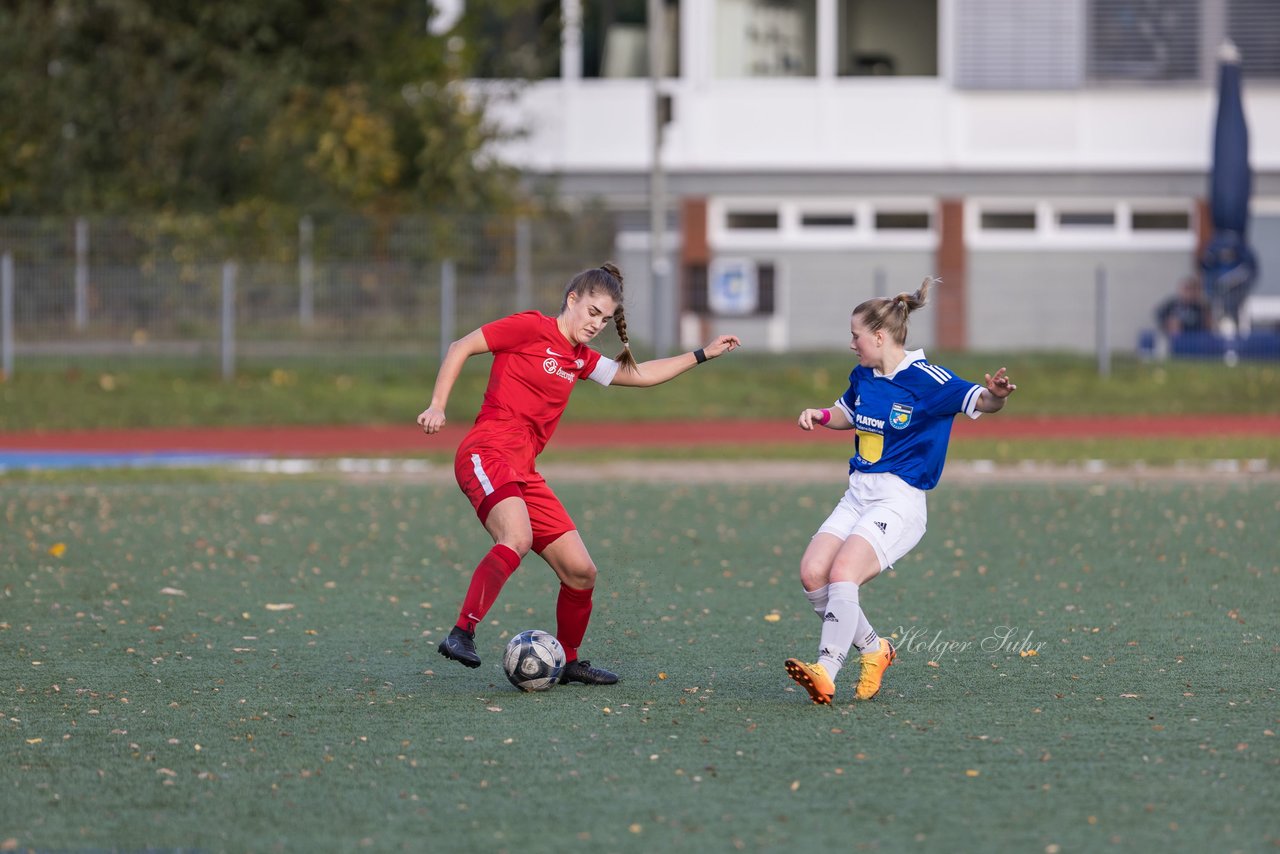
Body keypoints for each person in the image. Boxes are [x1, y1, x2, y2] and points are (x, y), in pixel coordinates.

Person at [418, 262, 741, 686]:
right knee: (516, 537)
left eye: (604, 319)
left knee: (581, 571)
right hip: (487, 451)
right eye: (591, 312)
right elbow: (460, 345)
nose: (596, 324)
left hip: (523, 469)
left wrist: (702, 354)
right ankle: (461, 633)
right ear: (572, 300)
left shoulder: (579, 359)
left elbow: (639, 375)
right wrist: (438, 405)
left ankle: (568, 661)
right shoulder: (531, 327)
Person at [784, 276, 1017, 705]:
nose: (851, 344)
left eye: (856, 336)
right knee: (813, 573)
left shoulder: (928, 378)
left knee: (843, 574)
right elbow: (846, 413)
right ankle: (875, 649)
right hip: (858, 494)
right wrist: (820, 414)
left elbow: (982, 401)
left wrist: (997, 395)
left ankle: (826, 669)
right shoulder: (865, 375)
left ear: (879, 335)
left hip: (899, 500)